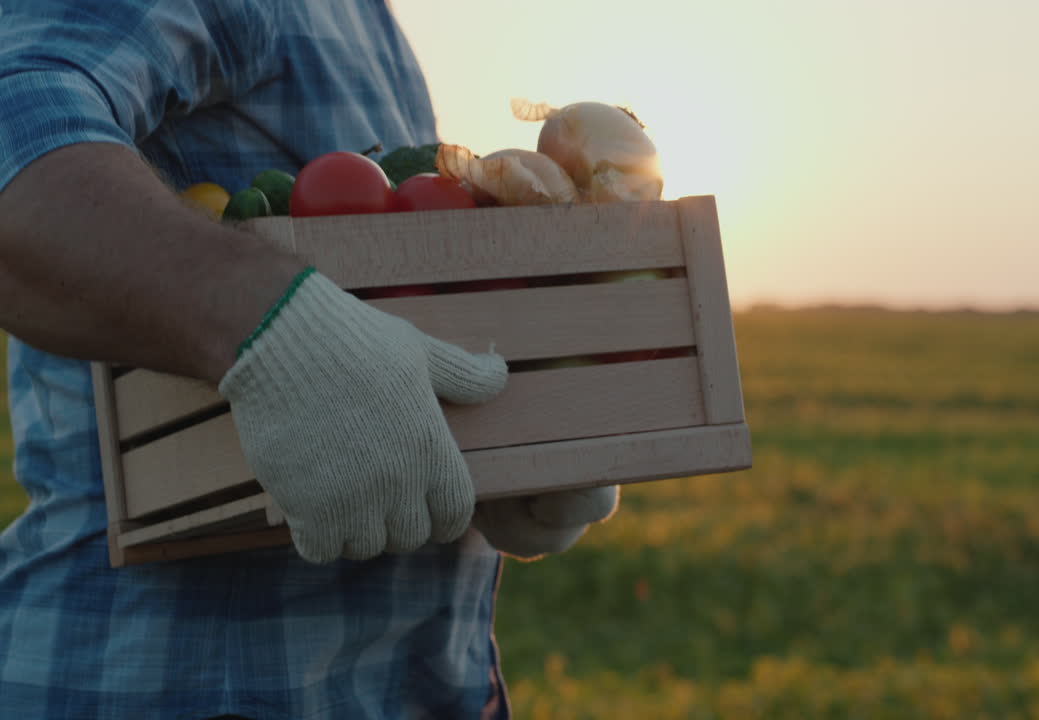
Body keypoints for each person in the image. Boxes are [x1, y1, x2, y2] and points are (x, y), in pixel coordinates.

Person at [0, 2, 620, 718]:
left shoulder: (372, 23)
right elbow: (17, 118)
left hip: (421, 682)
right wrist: (271, 326)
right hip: (164, 680)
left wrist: (504, 457)